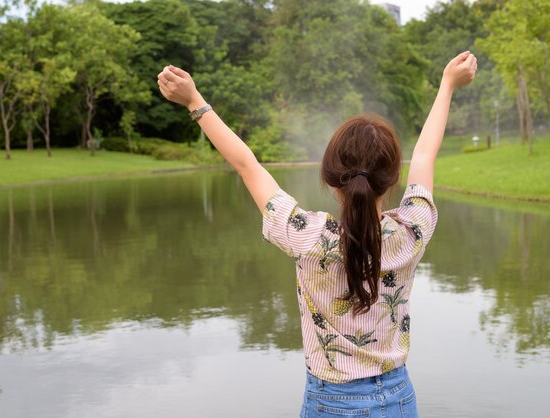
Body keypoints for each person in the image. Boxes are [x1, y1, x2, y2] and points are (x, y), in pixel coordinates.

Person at [157, 51, 477, 418]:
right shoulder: (411, 231)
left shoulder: (307, 237)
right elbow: (424, 156)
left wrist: (194, 101)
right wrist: (448, 85)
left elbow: (247, 164)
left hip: (331, 401)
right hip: (398, 398)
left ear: (330, 178)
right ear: (391, 180)